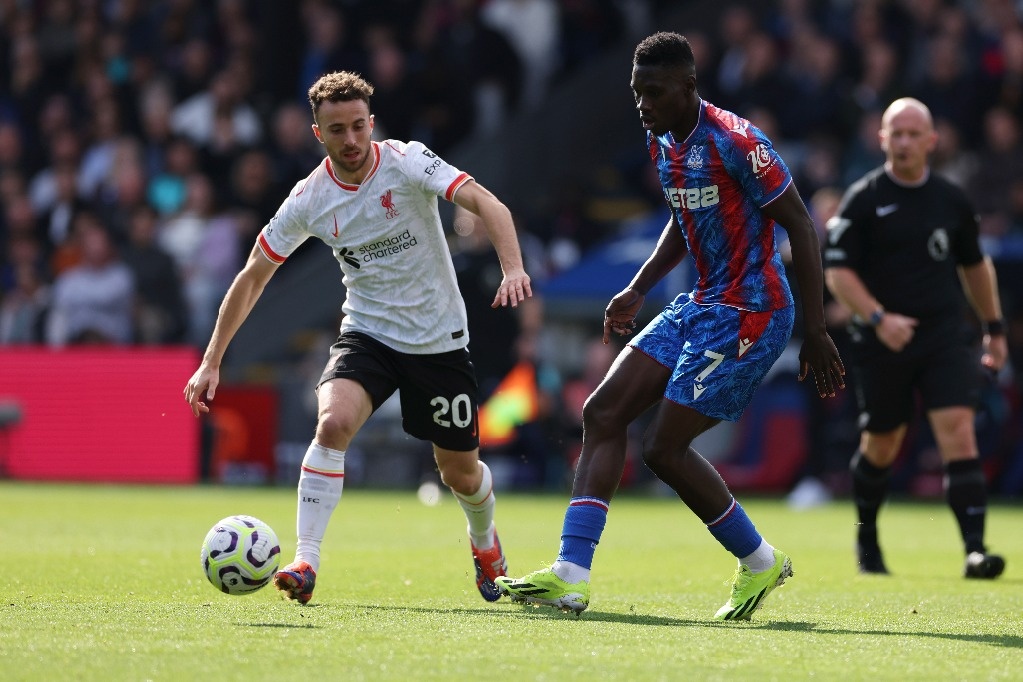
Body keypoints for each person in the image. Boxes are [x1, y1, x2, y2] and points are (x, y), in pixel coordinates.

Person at [496, 32, 845, 620]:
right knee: (602, 414)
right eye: (637, 92)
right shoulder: (663, 139)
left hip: (752, 312)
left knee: (662, 447)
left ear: (688, 86)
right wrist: (636, 286)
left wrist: (817, 329)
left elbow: (803, 230)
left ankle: (759, 562)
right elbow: (684, 218)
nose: (642, 104)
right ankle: (571, 574)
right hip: (701, 303)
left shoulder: (738, 142)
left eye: (653, 92)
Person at [184, 71, 532, 605]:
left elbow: (489, 204)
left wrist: (512, 268)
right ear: (317, 133)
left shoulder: (408, 161)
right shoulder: (309, 199)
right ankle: (306, 560)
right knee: (333, 421)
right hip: (367, 333)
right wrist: (212, 361)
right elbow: (254, 273)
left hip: (438, 339)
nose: (350, 140)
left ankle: (484, 542)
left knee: (459, 474)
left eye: (357, 126)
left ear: (371, 123)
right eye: (336, 129)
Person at [823, 97, 1008, 579]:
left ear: (932, 141)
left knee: (958, 429)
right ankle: (867, 539)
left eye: (913, 134)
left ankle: (974, 550)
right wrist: (880, 318)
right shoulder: (862, 199)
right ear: (882, 139)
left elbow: (975, 267)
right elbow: (838, 274)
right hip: (883, 340)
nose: (904, 142)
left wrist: (994, 328)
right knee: (883, 443)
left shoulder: (951, 199)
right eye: (895, 133)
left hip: (944, 335)